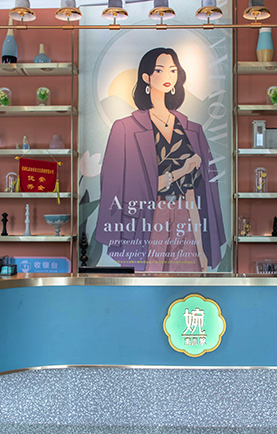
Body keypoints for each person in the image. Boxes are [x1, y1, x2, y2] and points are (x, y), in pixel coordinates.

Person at [95, 47, 226, 272]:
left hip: (186, 215)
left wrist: (200, 248)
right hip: (148, 217)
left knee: (186, 281)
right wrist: (182, 170)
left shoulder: (192, 130)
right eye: (159, 70)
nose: (167, 76)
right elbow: (129, 188)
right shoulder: (124, 128)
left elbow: (193, 193)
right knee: (147, 283)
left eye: (173, 70)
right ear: (146, 77)